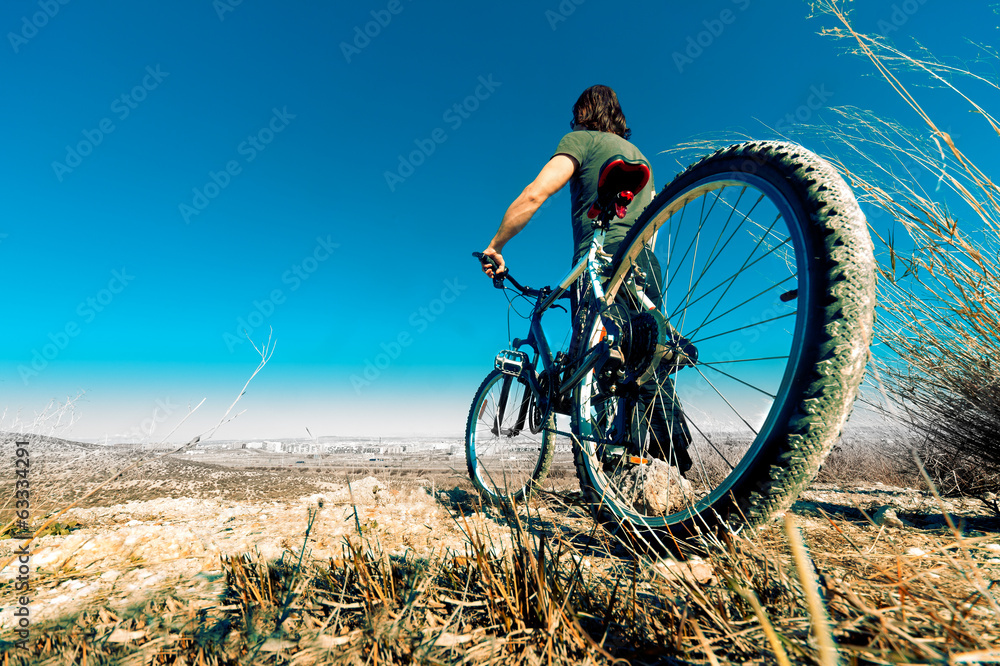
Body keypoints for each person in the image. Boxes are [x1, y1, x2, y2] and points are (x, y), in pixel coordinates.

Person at [478, 85, 693, 473]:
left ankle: (603, 479)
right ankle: (667, 472)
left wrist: (496, 245)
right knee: (645, 360)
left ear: (582, 114)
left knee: (591, 370)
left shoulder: (580, 140)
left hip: (600, 265)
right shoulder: (641, 157)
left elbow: (534, 194)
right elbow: (654, 227)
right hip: (644, 264)